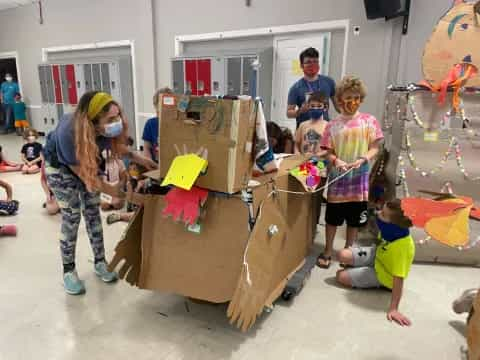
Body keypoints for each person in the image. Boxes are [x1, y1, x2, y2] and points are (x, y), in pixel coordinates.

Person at [43, 91, 156, 295]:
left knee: (93, 213)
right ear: (93, 121)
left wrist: (137, 158)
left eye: (118, 116)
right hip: (60, 168)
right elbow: (88, 179)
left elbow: (116, 147)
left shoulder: (102, 131)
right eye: (111, 119)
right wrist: (112, 191)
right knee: (72, 216)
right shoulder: (69, 131)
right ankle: (68, 271)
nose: (117, 122)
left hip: (86, 161)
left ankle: (100, 262)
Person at [317, 76, 383, 268]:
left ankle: (348, 252)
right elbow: (327, 152)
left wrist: (364, 158)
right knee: (332, 219)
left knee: (354, 222)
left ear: (361, 99)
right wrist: (336, 160)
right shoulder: (332, 125)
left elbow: (375, 147)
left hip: (359, 184)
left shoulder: (369, 121)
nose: (351, 101)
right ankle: (328, 250)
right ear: (339, 99)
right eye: (347, 97)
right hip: (338, 183)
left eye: (356, 97)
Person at [335, 199, 415, 327]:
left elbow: (399, 279)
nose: (378, 214)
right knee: (341, 255)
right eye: (381, 210)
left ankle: (383, 286)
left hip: (383, 275)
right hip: (377, 254)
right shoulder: (389, 230)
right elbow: (380, 241)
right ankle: (361, 267)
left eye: (383, 214)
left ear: (394, 225)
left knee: (340, 276)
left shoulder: (402, 247)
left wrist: (394, 308)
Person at [287, 47, 337, 129]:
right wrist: (300, 111)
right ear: (301, 65)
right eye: (308, 62)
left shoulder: (329, 82)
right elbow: (289, 113)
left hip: (324, 129)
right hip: (304, 130)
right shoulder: (296, 87)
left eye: (315, 61)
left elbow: (338, 106)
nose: (312, 65)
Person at [142, 87, 173, 162]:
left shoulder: (177, 124)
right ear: (156, 106)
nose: (166, 107)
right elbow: (146, 147)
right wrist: (149, 162)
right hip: (157, 165)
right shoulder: (151, 124)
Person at [294, 91, 329, 156]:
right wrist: (297, 153)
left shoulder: (327, 126)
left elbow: (329, 149)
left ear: (325, 108)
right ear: (308, 107)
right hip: (303, 162)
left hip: (321, 163)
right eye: (312, 106)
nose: (315, 108)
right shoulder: (303, 125)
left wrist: (317, 155)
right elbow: (296, 144)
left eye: (319, 106)